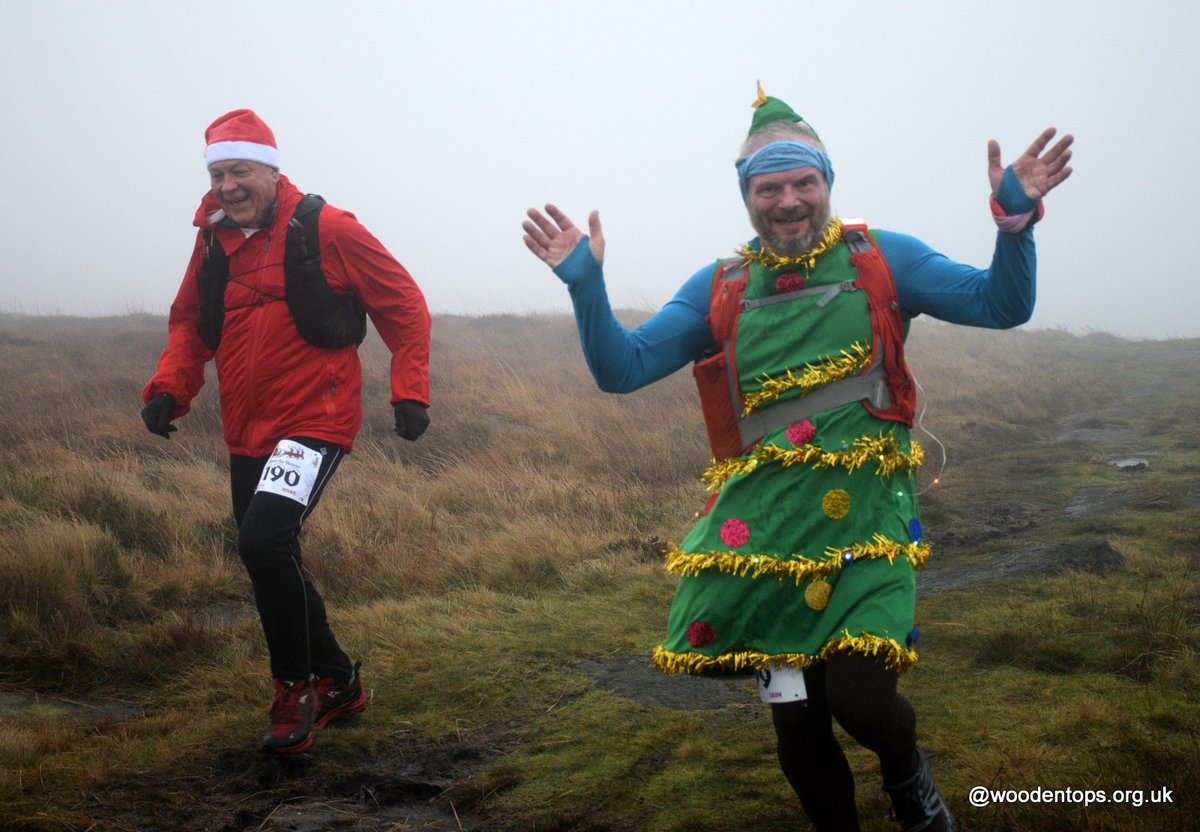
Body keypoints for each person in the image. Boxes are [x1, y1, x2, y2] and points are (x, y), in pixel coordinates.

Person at [522, 85, 1072, 830]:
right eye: (768, 186)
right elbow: (622, 369)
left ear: (827, 184)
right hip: (765, 537)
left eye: (803, 182)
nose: (787, 201)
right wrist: (586, 288)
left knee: (862, 702)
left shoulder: (882, 259)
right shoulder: (720, 287)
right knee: (799, 723)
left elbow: (1001, 305)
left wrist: (1015, 225)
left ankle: (906, 773)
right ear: (746, 195)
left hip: (867, 525)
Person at [141, 109, 432, 754]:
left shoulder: (326, 228)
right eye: (217, 173)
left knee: (265, 542)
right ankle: (339, 681)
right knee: (271, 552)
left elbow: (402, 302)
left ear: (271, 169)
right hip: (247, 428)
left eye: (239, 170)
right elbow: (189, 319)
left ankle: (295, 688)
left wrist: (409, 389)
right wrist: (171, 387)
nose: (227, 186)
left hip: (312, 423)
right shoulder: (213, 240)